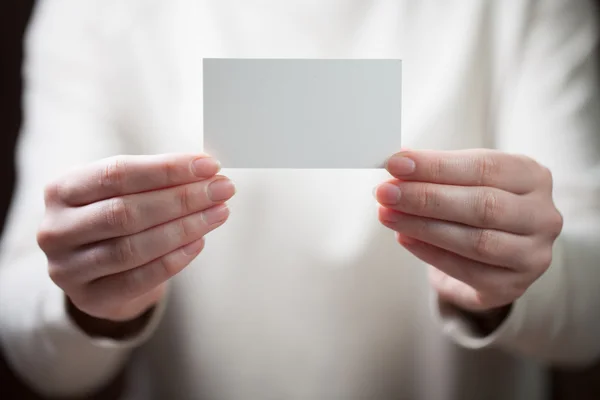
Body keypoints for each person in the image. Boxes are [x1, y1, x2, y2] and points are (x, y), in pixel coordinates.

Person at [0, 0, 599, 399]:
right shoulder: (93, 13)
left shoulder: (528, 9)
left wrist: (520, 279)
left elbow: (591, 315)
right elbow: (37, 350)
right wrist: (90, 294)